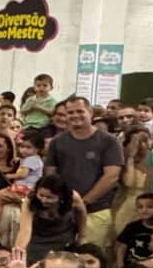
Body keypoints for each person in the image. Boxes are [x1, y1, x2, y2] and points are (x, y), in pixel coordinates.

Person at [47, 97, 124, 254]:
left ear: (90, 113)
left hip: (96, 211)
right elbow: (50, 176)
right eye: (70, 112)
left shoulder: (109, 141)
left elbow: (111, 176)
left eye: (80, 111)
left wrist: (83, 202)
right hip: (62, 213)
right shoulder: (57, 142)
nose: (75, 115)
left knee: (90, 259)